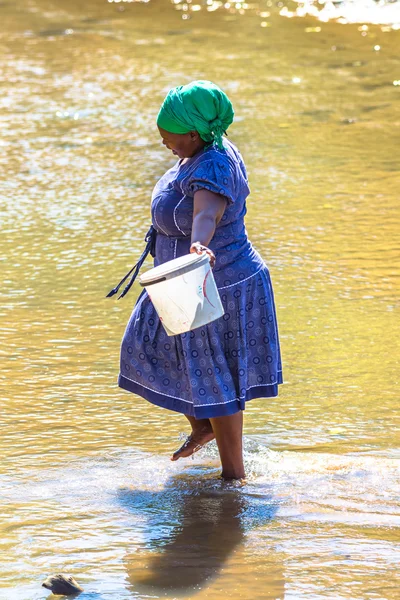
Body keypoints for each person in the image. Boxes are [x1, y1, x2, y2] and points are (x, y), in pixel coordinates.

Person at [110, 80, 283, 480]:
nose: (165, 145)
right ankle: (202, 426)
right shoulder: (202, 149)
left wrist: (199, 245)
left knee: (214, 376)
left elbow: (207, 212)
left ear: (193, 133)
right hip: (182, 282)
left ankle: (234, 478)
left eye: (170, 138)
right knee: (153, 351)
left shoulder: (215, 164)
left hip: (216, 284)